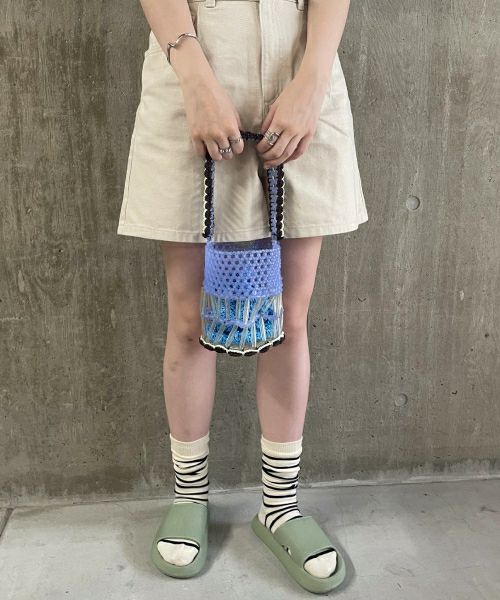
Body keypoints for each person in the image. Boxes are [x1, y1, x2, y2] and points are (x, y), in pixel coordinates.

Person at [117, 0, 368, 593]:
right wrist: (194, 77)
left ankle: (280, 505)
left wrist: (313, 78)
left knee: (289, 318)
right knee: (189, 318)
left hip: (301, 77)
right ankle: (189, 497)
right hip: (193, 70)